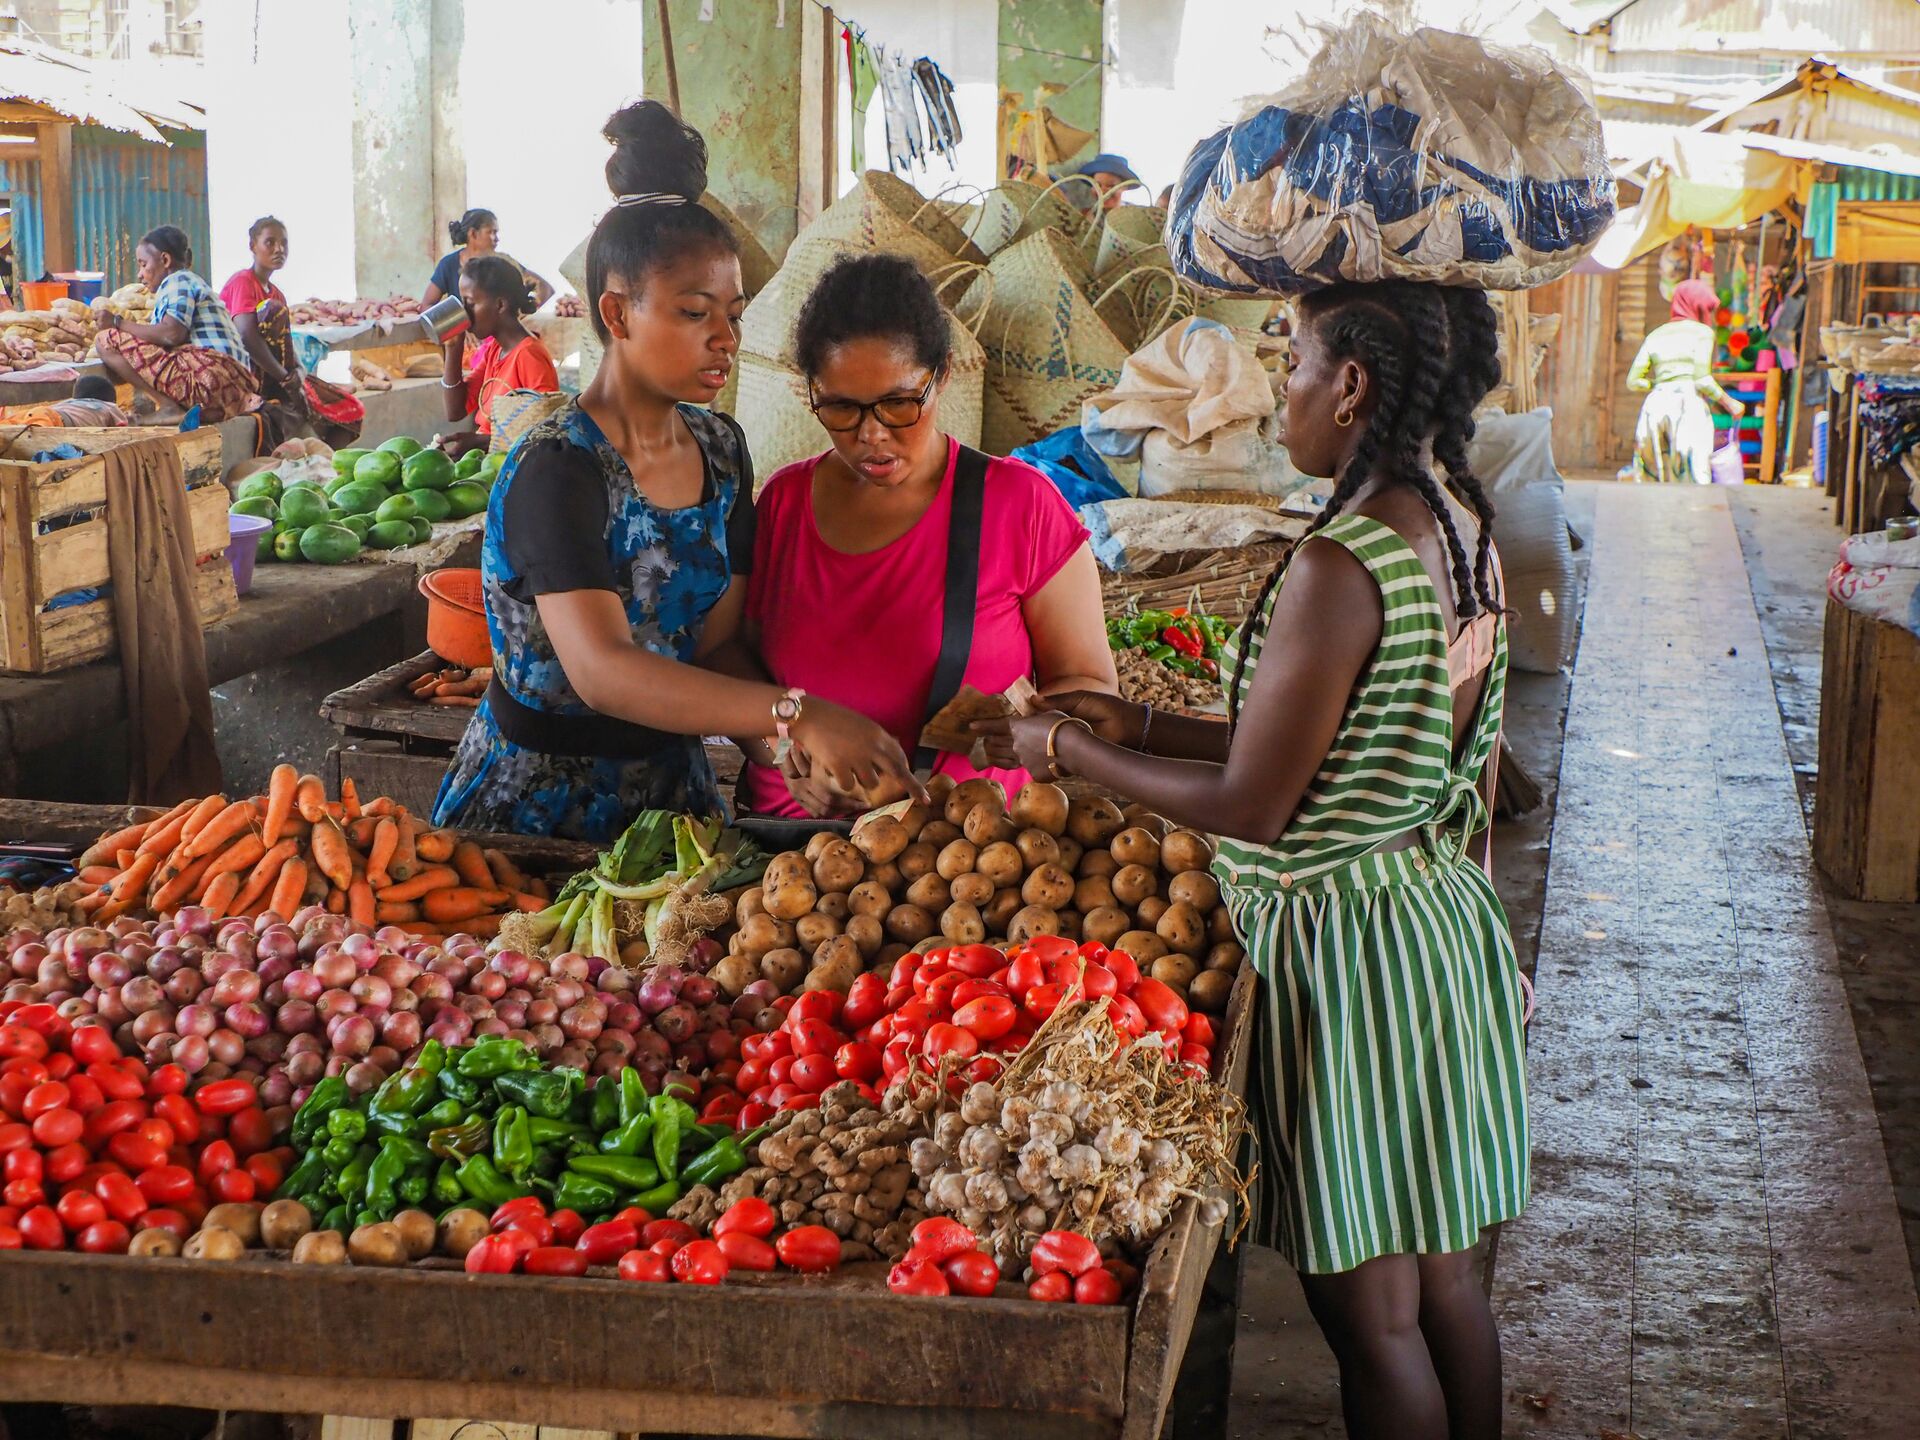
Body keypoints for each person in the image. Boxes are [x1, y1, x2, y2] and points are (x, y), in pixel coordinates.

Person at [984, 281, 1526, 1440]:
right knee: (1443, 1287)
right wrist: (1140, 725)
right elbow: (1376, 754)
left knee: (1373, 1319)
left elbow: (1256, 806)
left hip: (1352, 966)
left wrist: (1068, 750)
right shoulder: (1459, 531)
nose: (1281, 396)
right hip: (1433, 923)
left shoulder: (1343, 563)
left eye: (1293, 366)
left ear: (1353, 386)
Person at [432, 100, 920, 844]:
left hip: (675, 809)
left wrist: (785, 754)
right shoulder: (557, 467)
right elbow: (603, 670)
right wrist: (795, 713)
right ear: (617, 314)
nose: (727, 338)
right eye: (696, 313)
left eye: (734, 313)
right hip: (533, 821)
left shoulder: (721, 450)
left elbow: (715, 646)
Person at [740, 253, 1115, 819]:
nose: (872, 434)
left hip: (962, 849)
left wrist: (1042, 732)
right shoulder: (783, 503)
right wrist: (783, 751)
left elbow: (1093, 688)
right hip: (789, 848)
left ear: (941, 377)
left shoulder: (1022, 506)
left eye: (898, 403)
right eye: (841, 407)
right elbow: (737, 672)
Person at [94, 226, 258, 424]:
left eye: (144, 264)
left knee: (105, 340)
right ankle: (182, 409)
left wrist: (117, 322)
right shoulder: (192, 282)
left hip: (212, 381)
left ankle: (169, 407)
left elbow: (171, 334)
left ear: (165, 260)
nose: (140, 274)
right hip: (231, 391)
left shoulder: (177, 280)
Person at [438, 255, 558, 460]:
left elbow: (543, 436)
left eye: (470, 303)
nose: (464, 313)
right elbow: (455, 411)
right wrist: (453, 348)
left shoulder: (529, 356)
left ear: (500, 305)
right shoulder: (495, 350)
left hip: (511, 466)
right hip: (488, 460)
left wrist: (482, 441)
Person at [1626, 276, 1741, 485]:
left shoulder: (1655, 335)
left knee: (1654, 480)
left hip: (1655, 406)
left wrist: (1658, 384)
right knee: (1693, 479)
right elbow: (1702, 379)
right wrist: (1729, 403)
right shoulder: (1702, 333)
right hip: (1688, 407)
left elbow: (1633, 382)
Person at [220, 216, 305, 413]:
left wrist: (299, 372)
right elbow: (246, 336)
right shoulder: (242, 282)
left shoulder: (277, 294)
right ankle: (272, 393)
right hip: (239, 372)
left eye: (284, 243)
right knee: (273, 310)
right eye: (270, 242)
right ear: (253, 246)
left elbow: (286, 343)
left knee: (335, 403)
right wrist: (285, 378)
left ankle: (281, 393)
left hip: (272, 375)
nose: (279, 249)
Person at [423, 208, 554, 309]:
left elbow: (545, 288)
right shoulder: (449, 264)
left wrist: (524, 314)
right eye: (491, 232)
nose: (497, 239)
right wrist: (455, 327)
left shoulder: (503, 263)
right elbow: (427, 305)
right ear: (473, 234)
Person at [0, 374, 129, 428]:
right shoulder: (109, 406)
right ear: (112, 400)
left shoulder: (70, 403)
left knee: (8, 427)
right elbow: (122, 429)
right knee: (32, 433)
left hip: (42, 412)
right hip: (55, 420)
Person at [1058, 153, 1142, 213]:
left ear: (1125, 187)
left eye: (1111, 186)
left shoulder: (1135, 216)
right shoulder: (1084, 216)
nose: (1103, 191)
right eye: (1097, 185)